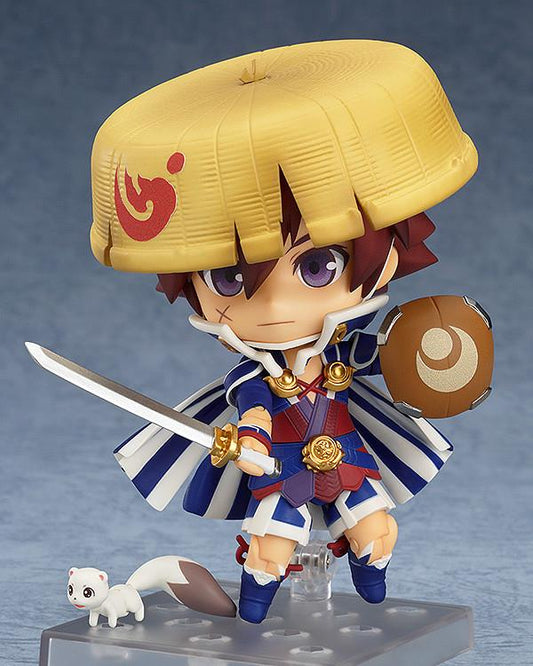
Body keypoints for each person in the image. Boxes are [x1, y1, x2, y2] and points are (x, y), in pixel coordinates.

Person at [93, 40, 478, 622]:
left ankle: (370, 577)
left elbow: (397, 355)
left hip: (348, 456)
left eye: (317, 266)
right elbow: (253, 409)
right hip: (285, 470)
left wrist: (439, 356)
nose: (274, 306)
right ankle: (255, 609)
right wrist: (250, 442)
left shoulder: (342, 350)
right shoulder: (258, 375)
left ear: (386, 256)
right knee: (271, 549)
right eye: (228, 277)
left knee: (377, 530)